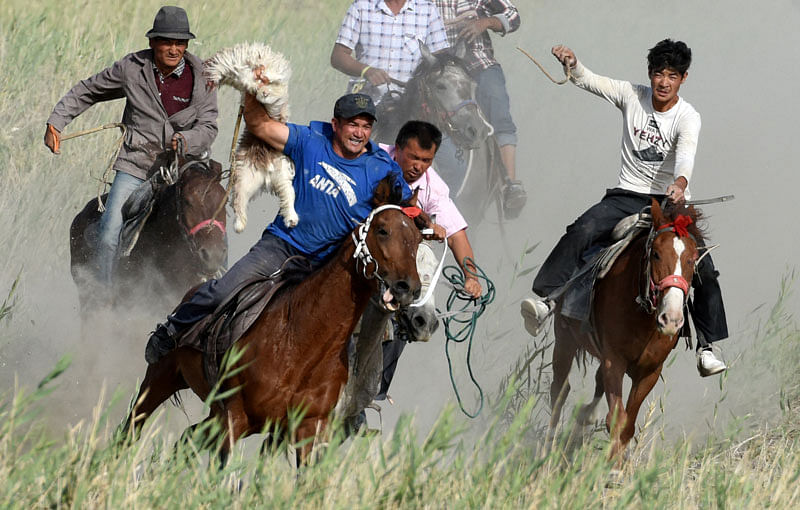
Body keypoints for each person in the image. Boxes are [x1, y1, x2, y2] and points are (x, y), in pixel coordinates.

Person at [145, 93, 413, 363]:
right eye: (353, 124)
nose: (359, 133)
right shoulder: (309, 141)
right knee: (224, 290)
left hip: (330, 264)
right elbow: (261, 126)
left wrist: (427, 222)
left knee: (347, 335)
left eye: (366, 126)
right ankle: (173, 328)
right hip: (282, 246)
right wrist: (251, 90)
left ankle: (351, 400)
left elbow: (407, 206)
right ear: (335, 124)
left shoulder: (380, 167)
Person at [520, 40, 728, 377]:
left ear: (683, 79)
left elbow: (686, 153)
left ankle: (707, 345)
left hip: (670, 200)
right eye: (659, 74)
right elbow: (590, 80)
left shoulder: (688, 116)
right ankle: (546, 299)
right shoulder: (632, 95)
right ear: (650, 74)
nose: (664, 82)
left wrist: (681, 183)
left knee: (702, 265)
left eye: (672, 76)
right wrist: (573, 64)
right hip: (626, 195)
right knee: (583, 230)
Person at [44, 5, 218, 295]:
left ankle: (220, 295)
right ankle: (103, 295)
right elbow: (88, 90)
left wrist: (188, 140)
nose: (174, 49)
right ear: (152, 42)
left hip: (185, 166)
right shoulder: (131, 68)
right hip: (137, 164)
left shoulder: (203, 75)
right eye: (167, 42)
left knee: (213, 224)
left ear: (187, 44)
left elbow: (209, 127)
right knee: (110, 228)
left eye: (180, 42)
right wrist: (56, 122)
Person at [374, 120, 482, 401]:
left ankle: (375, 395)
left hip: (395, 260)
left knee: (409, 315)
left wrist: (471, 276)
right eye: (413, 157)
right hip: (361, 243)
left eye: (426, 160)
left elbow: (457, 234)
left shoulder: (435, 187)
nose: (418, 166)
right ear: (397, 149)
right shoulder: (373, 159)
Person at [432, 0, 526, 219]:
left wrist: (487, 22)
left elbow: (513, 15)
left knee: (495, 98)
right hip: (436, 69)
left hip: (477, 64)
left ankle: (509, 185)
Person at [330, 0, 450, 103]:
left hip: (409, 105)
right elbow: (338, 56)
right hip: (365, 101)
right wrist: (366, 71)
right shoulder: (361, 6)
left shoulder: (428, 10)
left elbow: (442, 62)